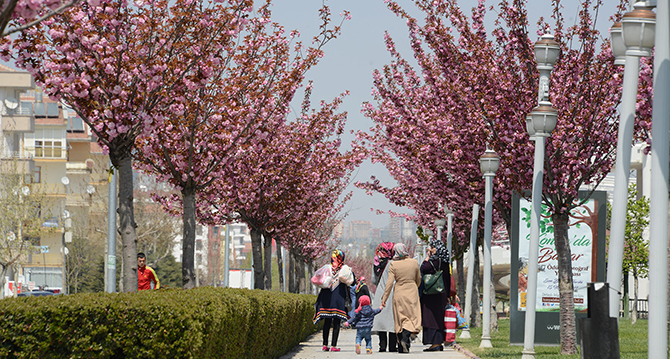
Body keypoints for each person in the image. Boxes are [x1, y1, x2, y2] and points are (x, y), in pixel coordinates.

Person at [380, 243, 422, 354]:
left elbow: (389, 283)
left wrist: (384, 298)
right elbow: (418, 279)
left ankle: (401, 343)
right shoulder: (414, 263)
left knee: (400, 318)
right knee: (412, 317)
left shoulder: (394, 265)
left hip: (399, 292)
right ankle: (405, 340)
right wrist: (414, 286)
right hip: (412, 291)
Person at [313, 249, 354, 352]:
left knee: (327, 322)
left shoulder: (327, 269)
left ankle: (325, 344)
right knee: (336, 323)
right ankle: (334, 346)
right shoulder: (344, 270)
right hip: (338, 299)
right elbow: (351, 282)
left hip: (326, 299)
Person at [420, 239, 451, 351]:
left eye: (432, 247)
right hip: (441, 293)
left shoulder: (435, 260)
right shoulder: (445, 260)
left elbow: (424, 268)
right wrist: (447, 295)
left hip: (432, 294)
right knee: (438, 318)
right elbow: (447, 278)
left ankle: (436, 343)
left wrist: (427, 258)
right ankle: (437, 343)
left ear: (437, 249)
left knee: (431, 318)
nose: (430, 249)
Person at [371, 242, 398, 352]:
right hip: (392, 293)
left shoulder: (377, 263)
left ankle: (382, 346)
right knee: (392, 321)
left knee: (381, 321)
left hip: (380, 293)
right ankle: (392, 346)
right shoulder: (394, 263)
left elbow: (373, 280)